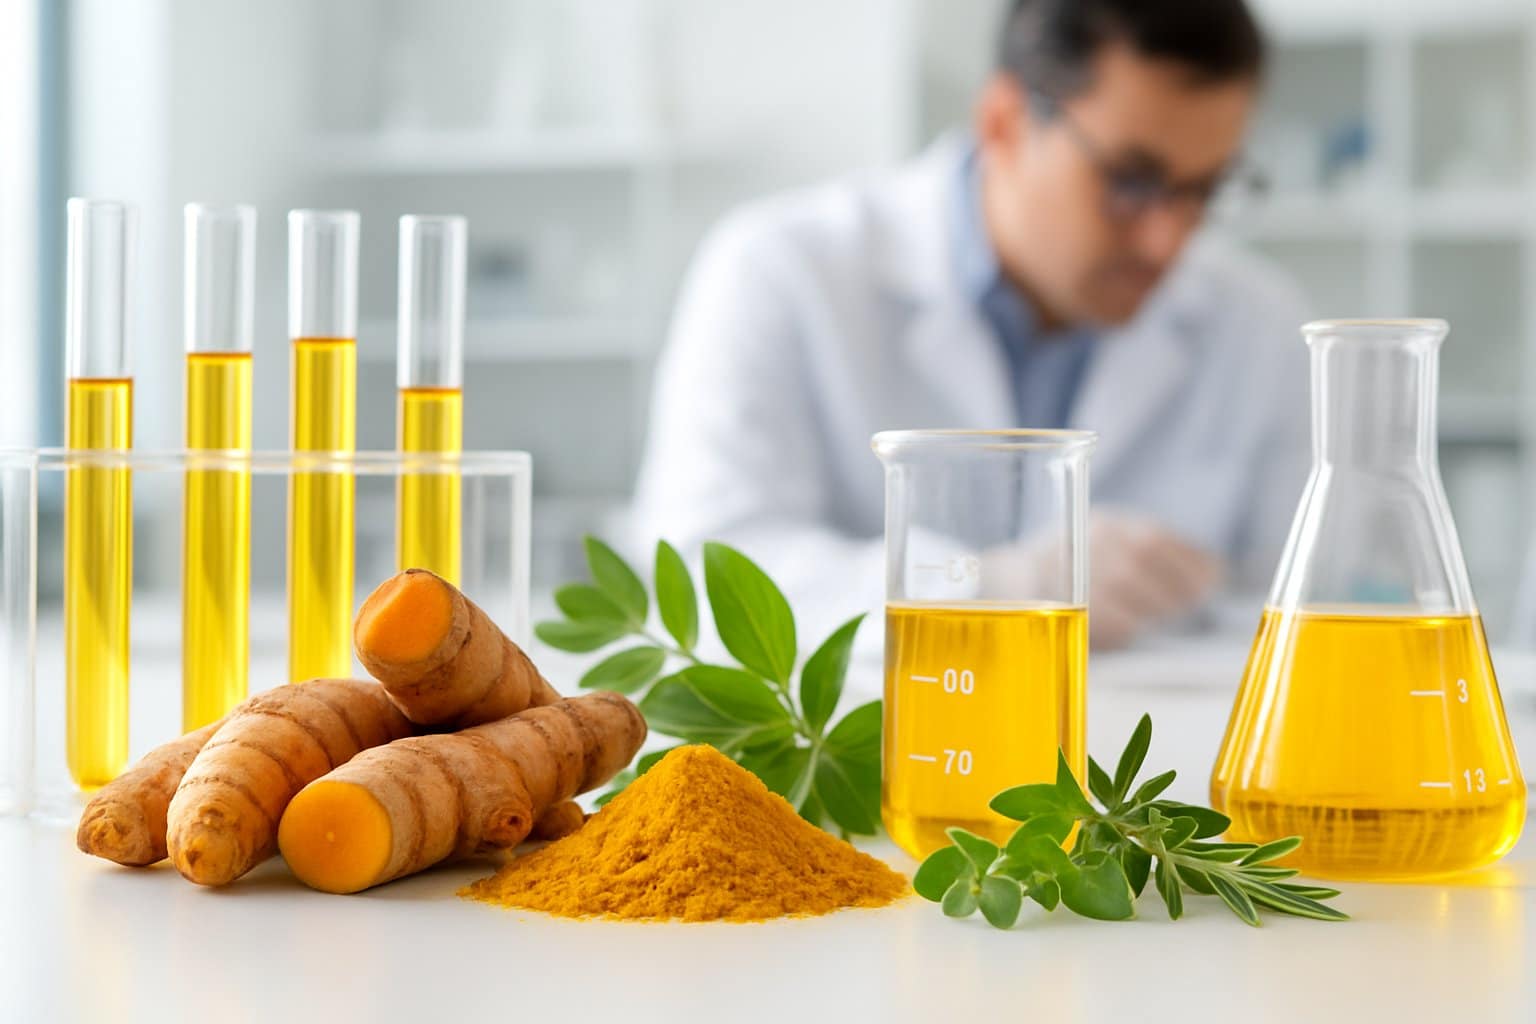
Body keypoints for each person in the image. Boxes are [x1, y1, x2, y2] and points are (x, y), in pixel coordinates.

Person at [632, 0, 1308, 649]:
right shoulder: (781, 269)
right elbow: (699, 572)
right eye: (1131, 182)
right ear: (1004, 123)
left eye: (1206, 189)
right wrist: (988, 588)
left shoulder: (1262, 325)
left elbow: (1302, 605)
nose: (1168, 240)